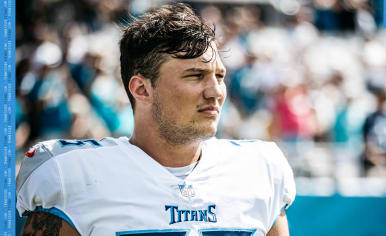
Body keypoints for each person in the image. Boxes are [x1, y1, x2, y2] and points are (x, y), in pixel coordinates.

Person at [16, 3, 295, 236]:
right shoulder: (71, 176)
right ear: (142, 89)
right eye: (195, 75)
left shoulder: (260, 169)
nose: (216, 92)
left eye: (219, 76)